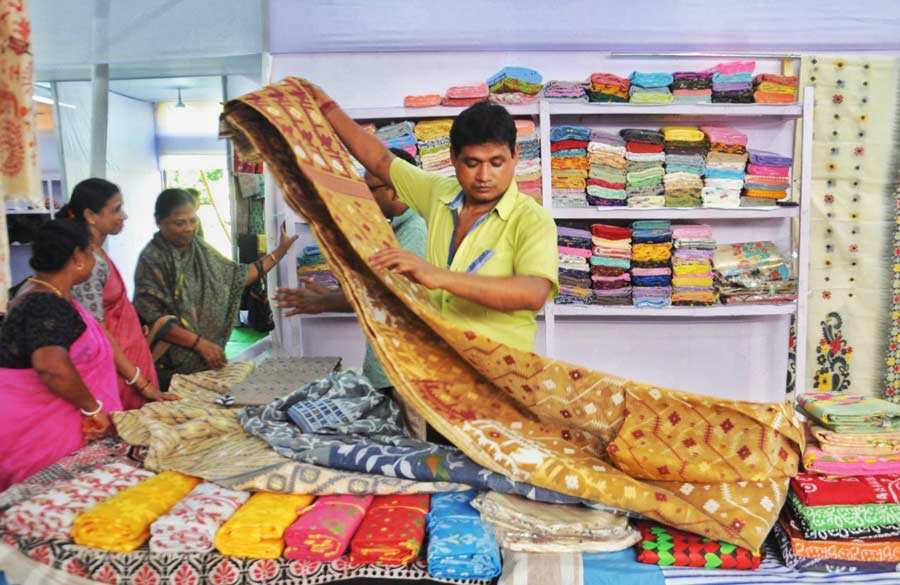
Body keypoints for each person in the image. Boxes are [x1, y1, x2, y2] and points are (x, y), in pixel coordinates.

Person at [307, 85, 559, 353]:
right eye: (472, 163)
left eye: (496, 163)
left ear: (515, 156)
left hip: (499, 375)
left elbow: (533, 292)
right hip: (441, 366)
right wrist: (326, 107)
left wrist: (438, 277)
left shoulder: (532, 219)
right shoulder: (439, 194)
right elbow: (380, 160)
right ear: (453, 157)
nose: (484, 176)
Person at [273, 147, 428, 437]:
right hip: (395, 368)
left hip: (407, 370)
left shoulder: (416, 231)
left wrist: (326, 301)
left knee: (410, 450)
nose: (366, 196)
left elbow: (387, 296)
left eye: (370, 188)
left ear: (395, 189)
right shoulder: (399, 230)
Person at [133, 188, 298, 390]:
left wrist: (281, 250)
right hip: (170, 370)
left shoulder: (200, 249)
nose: (188, 228)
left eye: (192, 221)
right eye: (179, 223)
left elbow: (238, 277)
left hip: (206, 363)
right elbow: (155, 319)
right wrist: (201, 344)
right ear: (159, 221)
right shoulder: (152, 259)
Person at [0, 220, 122, 490]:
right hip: (39, 440)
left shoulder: (50, 298)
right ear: (78, 256)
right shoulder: (45, 303)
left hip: (47, 434)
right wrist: (93, 407)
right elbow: (51, 366)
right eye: (90, 252)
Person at [64, 178, 175, 409]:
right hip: (117, 373)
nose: (123, 215)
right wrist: (140, 383)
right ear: (90, 216)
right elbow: (99, 334)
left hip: (130, 364)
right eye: (116, 209)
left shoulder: (97, 254)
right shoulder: (87, 263)